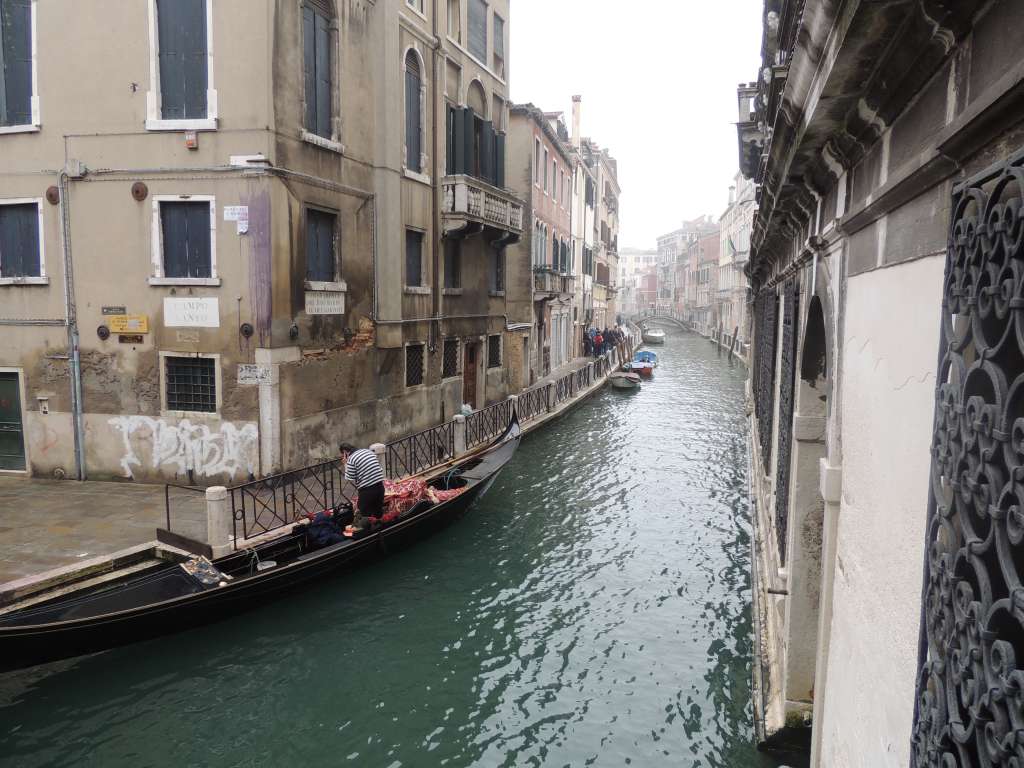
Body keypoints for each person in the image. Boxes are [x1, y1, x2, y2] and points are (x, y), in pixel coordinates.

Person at [340, 442, 385, 531]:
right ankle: (379, 532)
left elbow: (350, 477)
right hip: (380, 487)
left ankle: (362, 536)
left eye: (342, 455)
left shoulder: (352, 459)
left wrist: (345, 463)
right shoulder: (368, 451)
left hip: (367, 491)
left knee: (360, 519)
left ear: (345, 452)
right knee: (378, 514)